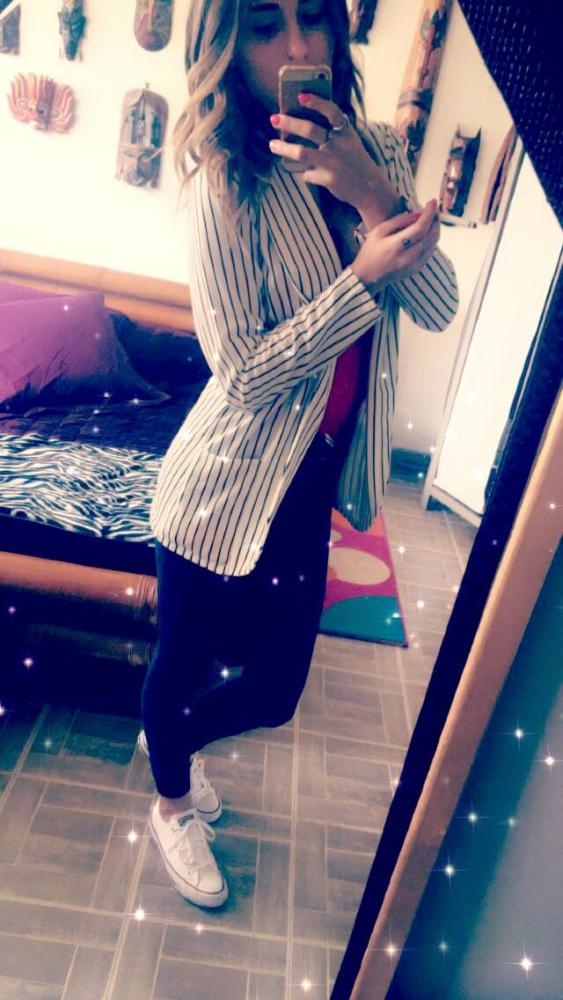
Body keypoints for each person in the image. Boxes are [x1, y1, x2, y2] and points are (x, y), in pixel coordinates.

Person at [140, 0, 458, 910]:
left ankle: (168, 744)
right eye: (263, 25)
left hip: (310, 481)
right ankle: (171, 801)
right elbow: (242, 373)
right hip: (219, 484)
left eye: (311, 18)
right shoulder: (224, 179)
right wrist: (360, 280)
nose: (294, 46)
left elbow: (437, 304)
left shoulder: (379, 153)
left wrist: (369, 193)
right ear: (226, 45)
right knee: (181, 665)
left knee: (276, 690)